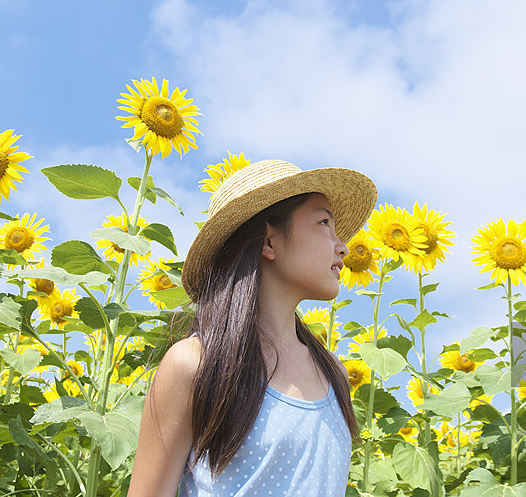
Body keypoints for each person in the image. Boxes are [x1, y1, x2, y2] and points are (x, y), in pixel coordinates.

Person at [127, 159, 377, 496]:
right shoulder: (196, 365)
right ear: (268, 242)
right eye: (323, 222)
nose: (342, 245)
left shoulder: (333, 373)